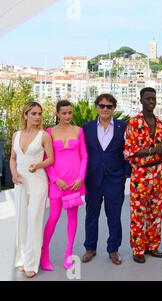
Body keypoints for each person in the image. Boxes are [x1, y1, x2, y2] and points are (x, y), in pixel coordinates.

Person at [124, 87, 162, 263]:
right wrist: (154, 150)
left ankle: (152, 246)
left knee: (156, 212)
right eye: (148, 99)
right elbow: (130, 151)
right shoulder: (133, 124)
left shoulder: (161, 125)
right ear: (141, 100)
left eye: (153, 98)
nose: (151, 101)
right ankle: (138, 249)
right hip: (141, 175)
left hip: (159, 173)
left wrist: (158, 152)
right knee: (138, 213)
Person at [82, 94, 130, 265]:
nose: (105, 109)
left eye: (109, 106)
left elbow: (128, 152)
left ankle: (113, 250)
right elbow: (81, 153)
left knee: (114, 216)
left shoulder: (123, 127)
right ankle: (90, 248)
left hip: (115, 179)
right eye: (101, 106)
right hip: (93, 178)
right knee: (91, 215)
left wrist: (125, 173)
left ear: (113, 109)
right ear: (96, 107)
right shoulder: (86, 128)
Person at [41, 100, 88, 270]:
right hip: (57, 182)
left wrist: (80, 178)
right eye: (64, 113)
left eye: (70, 112)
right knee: (53, 217)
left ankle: (68, 254)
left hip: (74, 183)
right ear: (57, 114)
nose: (68, 116)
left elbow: (84, 156)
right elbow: (46, 160)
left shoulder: (79, 131)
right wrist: (55, 179)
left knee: (72, 218)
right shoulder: (49, 132)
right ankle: (44, 253)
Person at [10, 102, 54, 278]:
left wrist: (39, 165)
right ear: (25, 115)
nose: (37, 117)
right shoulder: (16, 135)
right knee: (21, 221)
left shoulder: (44, 136)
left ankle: (32, 263)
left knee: (34, 221)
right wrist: (13, 174)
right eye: (34, 113)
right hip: (20, 182)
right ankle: (21, 259)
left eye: (39, 113)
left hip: (37, 182)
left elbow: (50, 159)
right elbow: (13, 158)